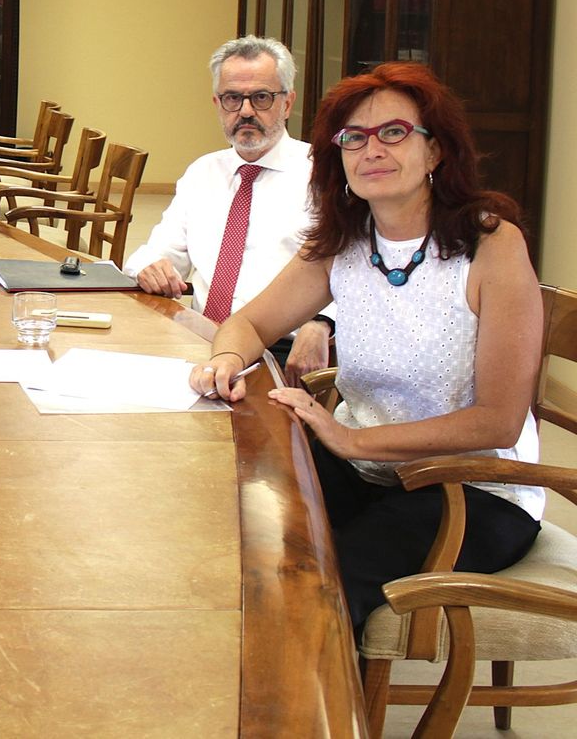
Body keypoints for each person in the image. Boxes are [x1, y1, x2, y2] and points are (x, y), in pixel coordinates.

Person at [191, 61, 542, 632]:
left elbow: (499, 423)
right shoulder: (343, 242)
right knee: (235, 533)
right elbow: (247, 325)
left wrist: (352, 439)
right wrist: (227, 359)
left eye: (395, 132)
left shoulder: (491, 245)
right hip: (366, 472)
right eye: (354, 138)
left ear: (436, 151)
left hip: (471, 492)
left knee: (318, 586)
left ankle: (307, 718)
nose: (371, 149)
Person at [123, 35, 332, 381]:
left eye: (261, 97)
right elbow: (154, 255)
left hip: (280, 348)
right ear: (218, 104)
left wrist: (323, 322)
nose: (246, 111)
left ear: (287, 103)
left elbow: (355, 274)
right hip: (200, 338)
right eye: (233, 98)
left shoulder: (323, 175)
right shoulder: (202, 172)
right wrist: (149, 267)